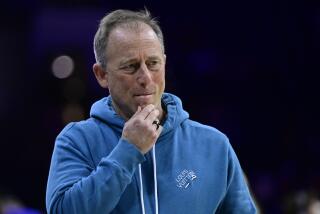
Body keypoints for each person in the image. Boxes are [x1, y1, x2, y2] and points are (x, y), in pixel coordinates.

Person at [46, 9, 257, 214]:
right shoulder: (77, 140)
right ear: (101, 74)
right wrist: (128, 151)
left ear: (164, 63)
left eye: (153, 63)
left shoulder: (214, 145)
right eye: (130, 66)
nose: (145, 77)